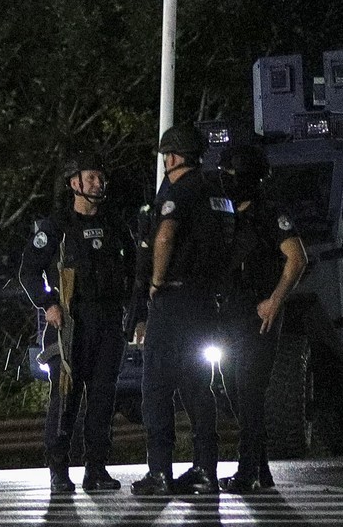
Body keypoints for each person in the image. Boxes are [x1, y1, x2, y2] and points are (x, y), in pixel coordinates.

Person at [19, 152, 134, 493]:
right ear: (75, 183)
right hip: (70, 322)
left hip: (109, 321)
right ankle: (58, 471)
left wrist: (137, 313)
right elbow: (28, 271)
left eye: (101, 177)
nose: (99, 183)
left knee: (102, 399)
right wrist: (48, 304)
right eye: (92, 177)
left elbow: (134, 270)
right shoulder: (57, 226)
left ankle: (96, 469)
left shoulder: (115, 223)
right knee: (65, 399)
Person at [131, 124, 227, 496]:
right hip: (206, 302)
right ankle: (205, 468)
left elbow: (166, 234)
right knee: (198, 388)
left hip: (174, 301)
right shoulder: (217, 192)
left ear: (172, 156)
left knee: (156, 386)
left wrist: (155, 282)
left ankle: (160, 471)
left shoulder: (177, 190)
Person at [217, 140, 307, 493]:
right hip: (229, 312)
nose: (224, 179)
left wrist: (275, 300)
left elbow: (297, 258)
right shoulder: (224, 213)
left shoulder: (270, 213)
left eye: (230, 173)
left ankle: (248, 471)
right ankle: (261, 468)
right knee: (233, 390)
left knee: (249, 390)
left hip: (258, 313)